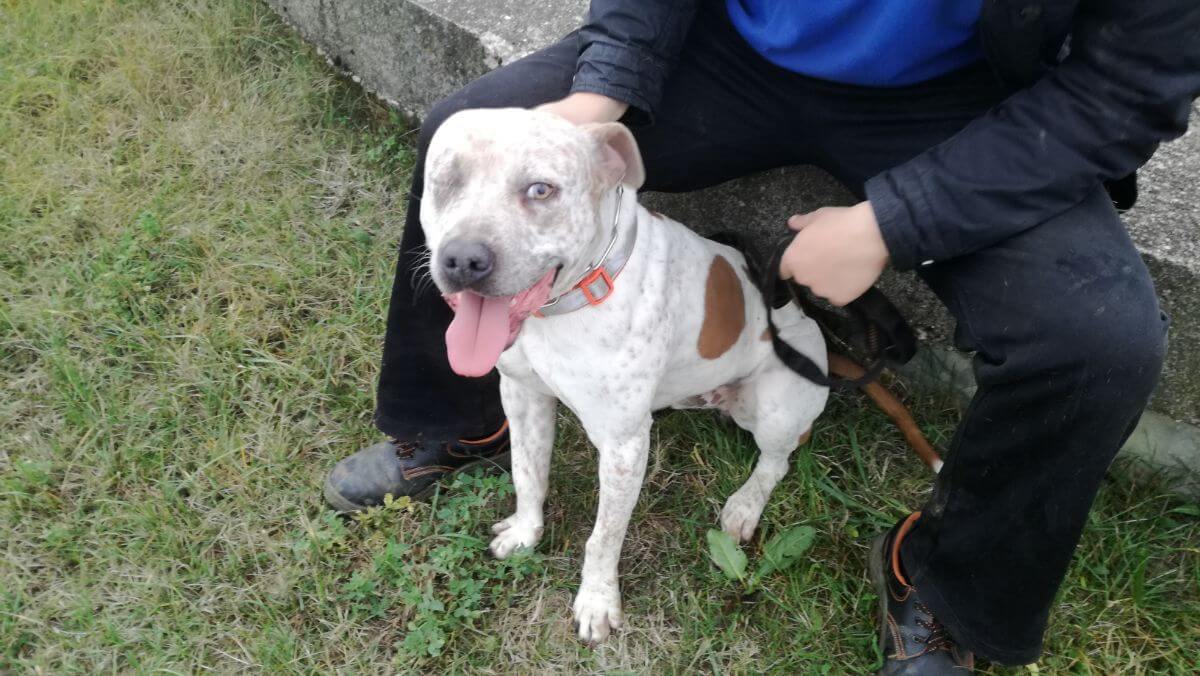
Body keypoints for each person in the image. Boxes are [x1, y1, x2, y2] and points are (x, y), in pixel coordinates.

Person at [323, 0, 1199, 671]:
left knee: (1099, 341)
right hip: (726, 49)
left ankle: (943, 588)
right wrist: (600, 91)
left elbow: (1127, 88)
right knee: (466, 127)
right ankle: (462, 418)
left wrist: (896, 222)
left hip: (972, 97)